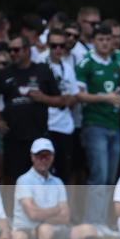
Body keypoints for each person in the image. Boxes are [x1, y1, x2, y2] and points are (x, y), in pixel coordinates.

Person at [0, 36, 62, 185]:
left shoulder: (43, 70)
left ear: (27, 50)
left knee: (41, 178)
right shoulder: (3, 74)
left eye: (16, 50)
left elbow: (60, 101)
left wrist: (43, 98)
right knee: (11, 180)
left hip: (38, 136)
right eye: (10, 50)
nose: (12, 53)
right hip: (12, 137)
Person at [13, 138, 99, 239]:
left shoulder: (58, 182)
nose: (43, 159)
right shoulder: (24, 180)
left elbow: (65, 217)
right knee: (45, 230)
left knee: (90, 230)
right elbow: (32, 214)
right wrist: (55, 210)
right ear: (32, 157)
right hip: (29, 230)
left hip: (57, 229)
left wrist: (41, 214)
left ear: (52, 157)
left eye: (47, 156)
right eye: (39, 156)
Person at [76, 24, 120, 224]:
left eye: (108, 39)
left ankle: (103, 221)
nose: (105, 43)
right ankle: (93, 222)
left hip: (114, 124)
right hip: (95, 124)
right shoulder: (86, 63)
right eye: (101, 40)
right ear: (93, 41)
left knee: (110, 177)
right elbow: (79, 95)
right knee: (99, 175)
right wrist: (105, 97)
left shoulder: (116, 62)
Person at [43, 29, 79, 180]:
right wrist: (60, 100)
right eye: (54, 46)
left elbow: (75, 95)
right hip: (45, 125)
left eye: (62, 46)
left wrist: (68, 100)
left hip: (65, 126)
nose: (58, 49)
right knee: (45, 171)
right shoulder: (40, 64)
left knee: (64, 172)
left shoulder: (68, 67)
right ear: (47, 45)